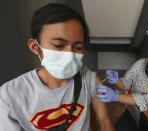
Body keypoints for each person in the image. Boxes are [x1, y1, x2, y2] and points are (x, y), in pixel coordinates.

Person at [0, 3, 114, 131]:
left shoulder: (89, 79)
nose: (69, 55)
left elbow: (105, 122)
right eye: (59, 45)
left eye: (78, 48)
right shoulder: (9, 95)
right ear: (35, 47)